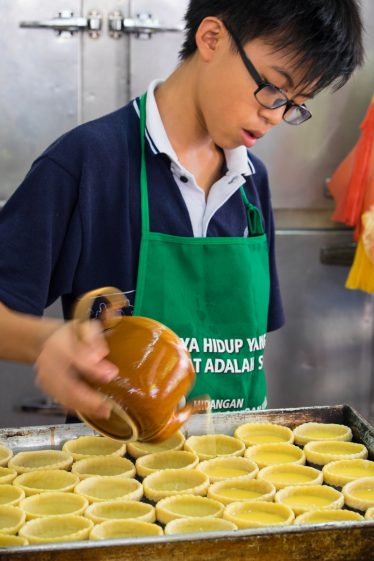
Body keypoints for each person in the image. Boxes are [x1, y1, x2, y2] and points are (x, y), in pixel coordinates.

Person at [0, 0, 364, 420]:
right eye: (275, 89)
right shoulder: (87, 163)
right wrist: (44, 341)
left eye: (296, 104)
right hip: (116, 473)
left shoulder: (251, 184)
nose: (275, 116)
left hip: (238, 471)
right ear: (211, 38)